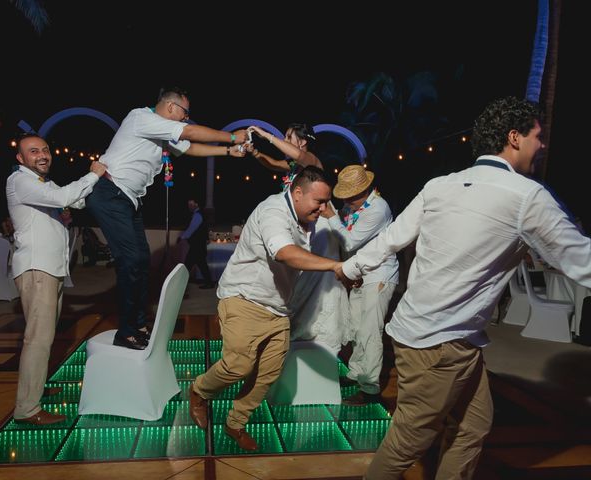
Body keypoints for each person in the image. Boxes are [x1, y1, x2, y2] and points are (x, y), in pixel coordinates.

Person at [339, 96, 591, 479]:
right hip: (441, 344)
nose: (542, 145)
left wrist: (349, 267)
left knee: (473, 426)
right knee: (407, 442)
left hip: (426, 334)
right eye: (537, 136)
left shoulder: (440, 186)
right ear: (514, 138)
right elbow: (581, 260)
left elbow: (391, 238)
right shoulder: (526, 196)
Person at [188, 166, 354, 451]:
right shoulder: (273, 211)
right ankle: (199, 391)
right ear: (298, 193)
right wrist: (335, 266)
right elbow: (284, 253)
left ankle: (235, 423)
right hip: (245, 299)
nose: (325, 208)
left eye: (327, 202)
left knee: (268, 373)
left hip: (278, 308)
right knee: (239, 365)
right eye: (320, 202)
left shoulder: (306, 215)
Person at [86, 87, 247, 350]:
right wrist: (231, 137)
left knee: (142, 259)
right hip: (109, 193)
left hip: (128, 200)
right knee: (132, 260)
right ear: (171, 107)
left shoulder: (159, 130)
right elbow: (190, 133)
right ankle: (125, 331)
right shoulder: (141, 117)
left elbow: (189, 148)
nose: (185, 118)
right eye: (185, 112)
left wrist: (228, 152)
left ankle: (137, 326)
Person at [7, 133, 106, 425]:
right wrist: (92, 174)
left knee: (44, 338)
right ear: (21, 158)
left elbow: (73, 202)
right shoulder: (19, 181)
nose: (42, 155)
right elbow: (65, 197)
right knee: (37, 340)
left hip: (50, 269)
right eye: (33, 151)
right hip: (37, 270)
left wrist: (99, 183)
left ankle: (34, 390)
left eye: (45, 150)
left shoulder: (42, 183)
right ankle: (27, 409)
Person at [248, 124, 350, 354]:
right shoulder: (294, 166)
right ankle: (302, 333)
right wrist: (255, 152)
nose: (284, 139)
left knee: (318, 277)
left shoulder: (311, 161)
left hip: (321, 221)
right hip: (307, 222)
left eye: (288, 136)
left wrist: (267, 136)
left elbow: (298, 155)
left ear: (302, 141)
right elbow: (272, 164)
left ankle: (319, 335)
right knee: (303, 275)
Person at [321, 164, 399, 406]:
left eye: (348, 197)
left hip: (379, 275)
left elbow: (351, 241)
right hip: (360, 273)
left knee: (370, 332)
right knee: (356, 328)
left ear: (362, 192)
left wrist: (332, 217)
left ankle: (370, 389)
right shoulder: (354, 206)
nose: (345, 202)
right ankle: (356, 374)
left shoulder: (378, 209)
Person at [178, 198, 214, 289]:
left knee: (187, 265)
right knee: (201, 265)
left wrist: (182, 237)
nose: (189, 206)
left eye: (191, 204)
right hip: (199, 245)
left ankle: (180, 284)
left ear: (196, 204)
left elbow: (191, 229)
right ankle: (209, 283)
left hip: (197, 246)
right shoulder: (199, 214)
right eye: (188, 205)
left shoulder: (197, 215)